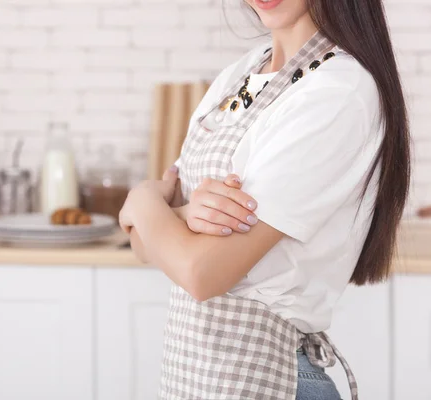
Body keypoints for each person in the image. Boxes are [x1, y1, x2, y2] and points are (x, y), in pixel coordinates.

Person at [118, 0, 410, 399]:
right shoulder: (240, 75)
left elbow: (202, 273)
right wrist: (179, 213)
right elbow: (144, 245)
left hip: (275, 380)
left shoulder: (337, 91)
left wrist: (142, 200)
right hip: (199, 378)